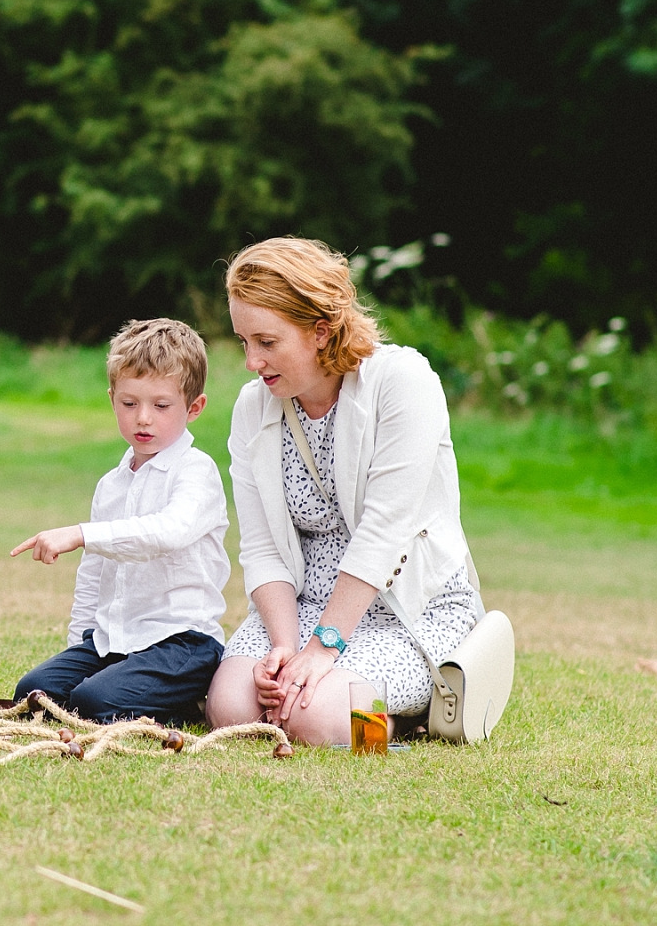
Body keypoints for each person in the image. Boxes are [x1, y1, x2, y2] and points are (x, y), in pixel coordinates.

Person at [205, 237, 485, 746]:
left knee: (318, 721)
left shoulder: (403, 382)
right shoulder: (253, 408)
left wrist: (323, 649)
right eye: (244, 341)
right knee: (231, 708)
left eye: (267, 343)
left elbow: (383, 532)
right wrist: (287, 648)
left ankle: (411, 721)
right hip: (302, 604)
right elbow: (262, 546)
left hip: (408, 610)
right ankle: (331, 689)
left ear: (320, 330)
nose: (251, 361)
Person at [7, 318, 230, 724]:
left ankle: (187, 701)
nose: (143, 418)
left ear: (193, 407)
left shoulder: (196, 472)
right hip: (112, 639)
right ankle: (125, 689)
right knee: (35, 693)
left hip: (181, 642)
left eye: (161, 406)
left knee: (91, 702)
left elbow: (169, 531)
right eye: (130, 404)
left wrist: (80, 534)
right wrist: (79, 647)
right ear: (113, 400)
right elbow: (94, 576)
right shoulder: (110, 484)